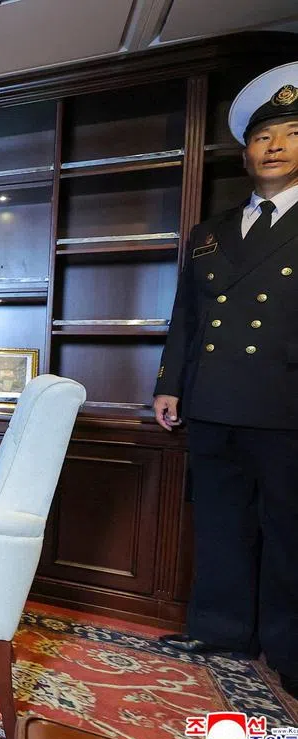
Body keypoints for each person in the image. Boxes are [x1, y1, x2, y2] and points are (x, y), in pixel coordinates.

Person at [153, 62, 298, 699]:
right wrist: (169, 383)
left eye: (291, 133)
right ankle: (220, 628)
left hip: (286, 402)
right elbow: (187, 316)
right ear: (246, 152)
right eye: (263, 136)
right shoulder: (210, 234)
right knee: (218, 522)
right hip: (212, 400)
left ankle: (290, 649)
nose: (274, 146)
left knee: (290, 532)